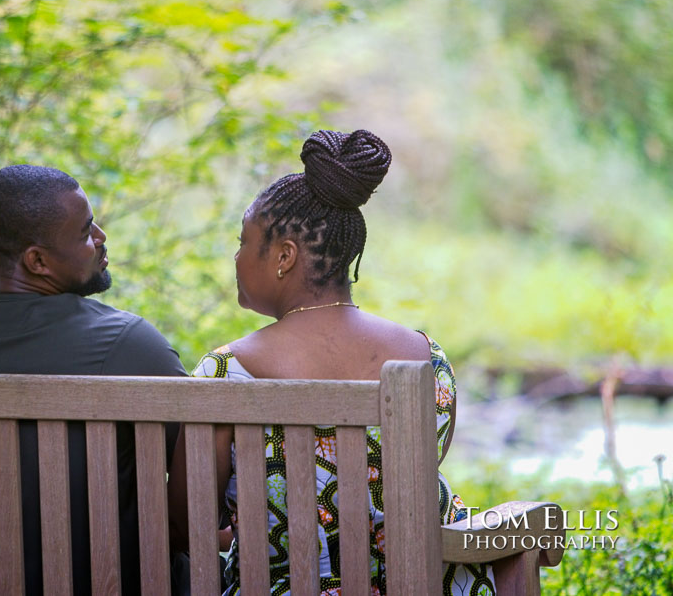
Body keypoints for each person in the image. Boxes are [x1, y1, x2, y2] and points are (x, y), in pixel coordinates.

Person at [167, 129, 496, 596]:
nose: (236, 258)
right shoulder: (429, 360)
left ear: (284, 257)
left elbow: (185, 528)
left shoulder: (226, 372)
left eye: (243, 242)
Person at [0, 165, 187, 595]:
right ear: (37, 261)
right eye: (84, 233)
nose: (100, 237)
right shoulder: (130, 346)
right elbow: (200, 477)